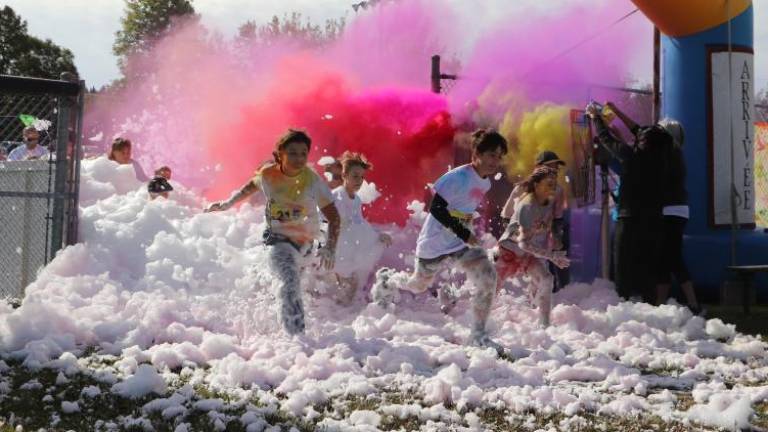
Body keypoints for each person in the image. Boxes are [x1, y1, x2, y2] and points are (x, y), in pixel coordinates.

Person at [206, 129, 340, 335]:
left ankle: (269, 323)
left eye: (303, 153)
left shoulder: (312, 180)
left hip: (305, 245)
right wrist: (227, 204)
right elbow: (249, 187)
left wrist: (330, 247)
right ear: (280, 155)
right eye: (293, 153)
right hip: (279, 241)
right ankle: (296, 336)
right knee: (289, 281)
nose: (299, 158)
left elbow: (334, 216)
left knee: (294, 287)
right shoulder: (268, 175)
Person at [399, 129, 507, 351]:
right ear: (476, 153)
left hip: (459, 245)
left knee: (488, 277)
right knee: (418, 286)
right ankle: (389, 282)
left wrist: (469, 230)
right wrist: (463, 231)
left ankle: (478, 335)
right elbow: (436, 209)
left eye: (499, 156)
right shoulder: (457, 178)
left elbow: (464, 208)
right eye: (491, 155)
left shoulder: (485, 182)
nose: (495, 161)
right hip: (434, 245)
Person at [588, 101, 671, 302]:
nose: (636, 137)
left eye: (639, 139)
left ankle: (623, 303)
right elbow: (638, 131)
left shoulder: (633, 157)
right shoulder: (661, 157)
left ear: (643, 143)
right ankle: (650, 305)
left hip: (630, 219)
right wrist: (617, 111)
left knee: (623, 267)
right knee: (647, 267)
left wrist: (595, 118)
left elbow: (607, 140)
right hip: (653, 221)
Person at [496, 166, 570, 327]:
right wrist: (552, 256)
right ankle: (458, 305)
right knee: (491, 289)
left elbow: (556, 222)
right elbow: (523, 243)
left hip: (529, 253)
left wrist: (557, 241)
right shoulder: (527, 205)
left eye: (554, 183)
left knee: (547, 278)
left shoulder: (555, 195)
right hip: (509, 251)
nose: (552, 188)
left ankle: (544, 325)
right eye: (548, 184)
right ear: (536, 185)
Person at [501, 150, 569, 289]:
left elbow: (557, 219)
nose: (554, 171)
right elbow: (506, 215)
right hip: (515, 247)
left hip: (539, 246)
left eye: (557, 168)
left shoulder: (558, 191)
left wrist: (556, 240)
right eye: (550, 168)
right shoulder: (521, 188)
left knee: (539, 284)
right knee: (512, 286)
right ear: (538, 169)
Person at [331, 151, 392, 305]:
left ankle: (339, 311)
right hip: (337, 248)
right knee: (349, 285)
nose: (359, 181)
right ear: (344, 175)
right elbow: (332, 223)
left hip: (349, 247)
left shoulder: (356, 199)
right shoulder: (338, 196)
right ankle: (337, 315)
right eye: (355, 176)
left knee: (351, 286)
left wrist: (378, 235)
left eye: (362, 177)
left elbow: (360, 223)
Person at [655, 119, 702, 315]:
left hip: (669, 211)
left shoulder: (665, 156)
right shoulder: (677, 155)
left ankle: (692, 303)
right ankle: (661, 303)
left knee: (672, 258)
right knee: (667, 259)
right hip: (679, 210)